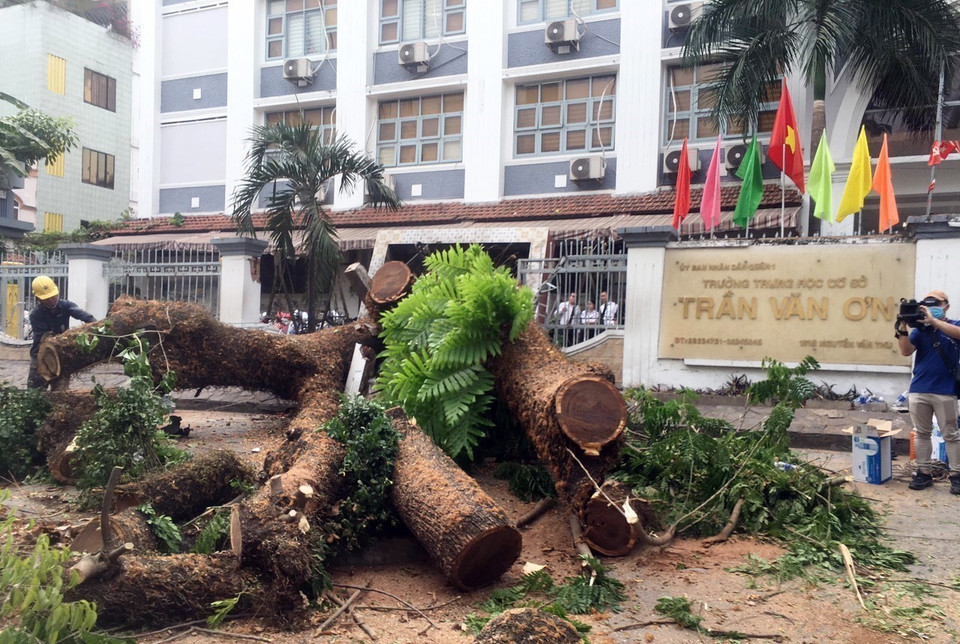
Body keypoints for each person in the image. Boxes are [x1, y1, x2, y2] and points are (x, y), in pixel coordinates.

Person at [896, 290, 960, 493]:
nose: (931, 306)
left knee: (951, 434)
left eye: (936, 303)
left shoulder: (954, 325)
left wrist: (933, 321)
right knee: (922, 433)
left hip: (945, 389)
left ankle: (956, 475)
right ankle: (924, 473)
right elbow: (906, 351)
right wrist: (902, 328)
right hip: (919, 389)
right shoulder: (921, 330)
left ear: (946, 306)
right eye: (927, 303)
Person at [28, 276, 96, 389]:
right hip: (40, 355)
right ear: (39, 298)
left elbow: (85, 316)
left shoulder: (66, 306)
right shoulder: (36, 315)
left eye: (53, 296)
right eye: (47, 298)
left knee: (60, 391)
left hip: (61, 353)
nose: (51, 300)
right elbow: (44, 337)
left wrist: (96, 326)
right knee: (35, 390)